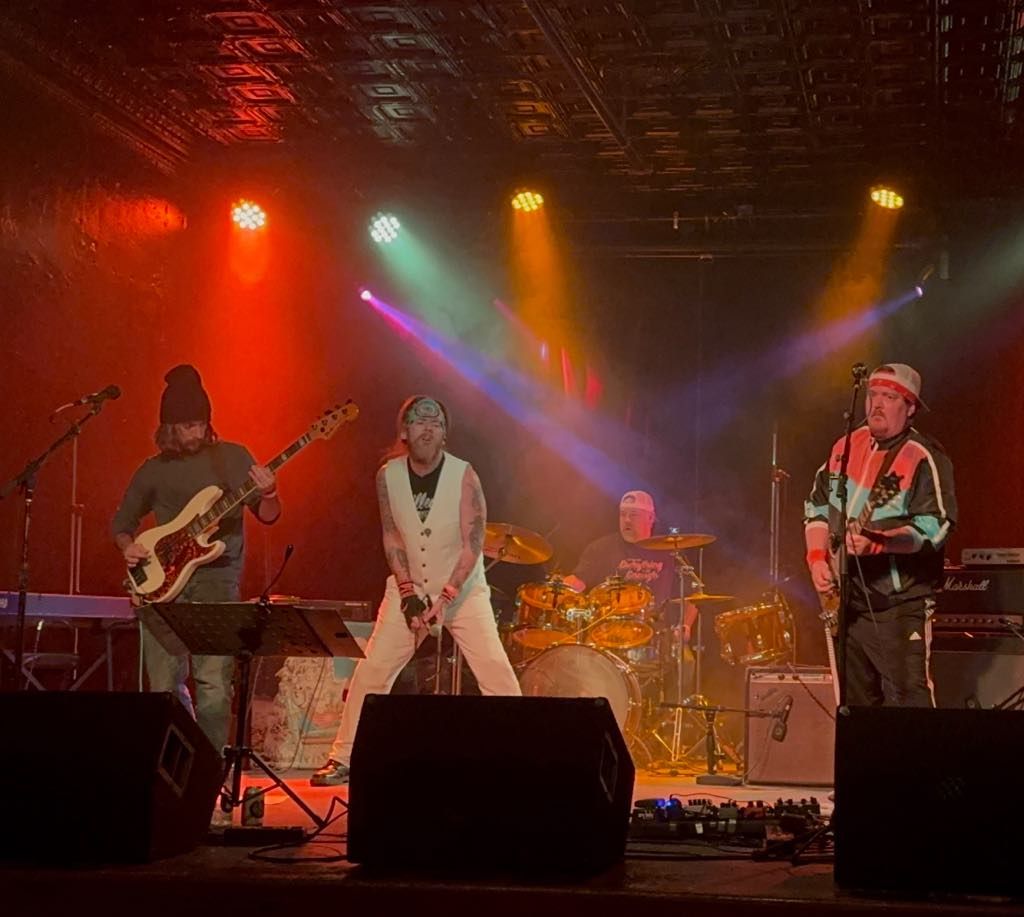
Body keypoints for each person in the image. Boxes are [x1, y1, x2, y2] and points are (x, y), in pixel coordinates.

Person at [310, 396, 521, 786]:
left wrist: (446, 597)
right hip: (409, 588)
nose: (428, 429)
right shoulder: (387, 476)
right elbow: (392, 535)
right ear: (404, 430)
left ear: (444, 434)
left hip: (463, 591)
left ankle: (521, 754)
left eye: (436, 423)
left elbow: (473, 544)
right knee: (373, 670)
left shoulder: (464, 475)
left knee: (495, 670)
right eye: (420, 422)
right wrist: (408, 594)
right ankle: (343, 757)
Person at [112, 364, 281, 752]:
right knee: (162, 688)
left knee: (215, 687)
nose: (197, 433)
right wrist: (128, 546)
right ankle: (175, 765)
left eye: (202, 424)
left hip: (216, 583)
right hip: (161, 588)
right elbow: (122, 523)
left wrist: (270, 492)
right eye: (188, 425)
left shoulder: (232, 458)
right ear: (169, 428)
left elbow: (269, 515)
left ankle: (211, 771)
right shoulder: (152, 470)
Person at [804, 363, 956, 707]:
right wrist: (816, 559)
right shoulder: (844, 446)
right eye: (873, 394)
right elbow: (816, 507)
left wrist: (880, 543)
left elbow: (937, 527)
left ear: (911, 407)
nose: (877, 404)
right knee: (853, 705)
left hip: (898, 604)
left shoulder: (922, 455)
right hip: (848, 602)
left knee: (908, 701)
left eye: (889, 397)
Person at [564, 490, 697, 639]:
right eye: (623, 514)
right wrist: (561, 589)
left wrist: (685, 625)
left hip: (655, 636)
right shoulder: (600, 549)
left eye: (633, 515)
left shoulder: (670, 551)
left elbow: (693, 595)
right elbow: (578, 581)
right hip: (608, 634)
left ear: (650, 518)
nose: (627, 520)